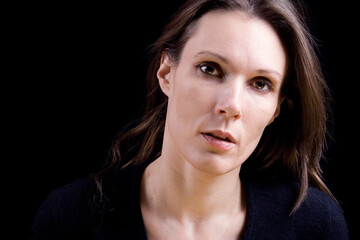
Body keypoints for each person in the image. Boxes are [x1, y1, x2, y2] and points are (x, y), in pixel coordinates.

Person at [29, 0, 349, 239]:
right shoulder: (70, 218)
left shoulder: (315, 226)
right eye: (210, 69)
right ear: (167, 73)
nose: (231, 105)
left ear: (277, 109)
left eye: (260, 83)